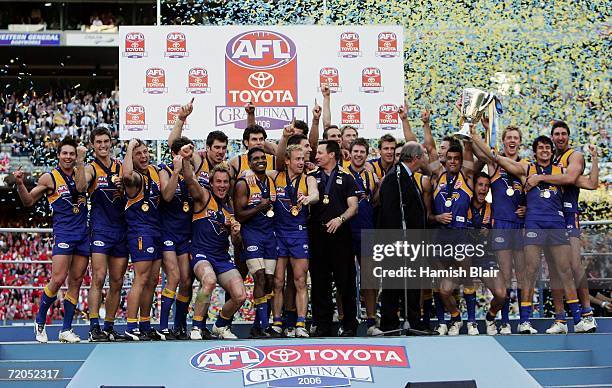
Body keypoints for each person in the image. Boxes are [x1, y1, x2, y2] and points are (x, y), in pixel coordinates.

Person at [472, 129, 592, 334]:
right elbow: (494, 157)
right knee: (529, 271)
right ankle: (523, 321)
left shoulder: (561, 170)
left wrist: (540, 178)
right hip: (532, 225)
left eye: (548, 147)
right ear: (534, 152)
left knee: (564, 271)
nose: (544, 150)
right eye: (540, 148)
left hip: (556, 224)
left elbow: (585, 181)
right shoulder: (526, 167)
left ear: (552, 152)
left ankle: (577, 319)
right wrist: (475, 135)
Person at [14, 136, 89, 343]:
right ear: (58, 155)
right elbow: (28, 201)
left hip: (83, 234)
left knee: (76, 282)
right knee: (57, 279)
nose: (68, 157)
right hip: (64, 234)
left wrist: (82, 163)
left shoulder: (82, 172)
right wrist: (20, 184)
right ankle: (40, 322)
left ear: (76, 156)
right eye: (64, 153)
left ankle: (66, 329)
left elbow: (83, 188)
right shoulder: (50, 178)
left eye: (72, 154)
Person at [470, 124, 527, 335]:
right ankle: (503, 321)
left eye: (515, 137)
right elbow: (481, 152)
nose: (512, 141)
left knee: (521, 275)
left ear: (520, 141)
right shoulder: (495, 165)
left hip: (520, 226)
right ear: (503, 141)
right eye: (508, 137)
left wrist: (528, 207)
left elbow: (535, 192)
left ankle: (523, 320)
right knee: (504, 275)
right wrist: (477, 134)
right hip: (501, 225)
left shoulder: (526, 164)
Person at [541, 120, 597, 334]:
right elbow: (590, 183)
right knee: (555, 270)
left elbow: (572, 177)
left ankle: (587, 314)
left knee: (574, 265)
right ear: (552, 137)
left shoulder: (574, 156)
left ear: (568, 136)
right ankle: (560, 320)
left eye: (564, 133)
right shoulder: (550, 160)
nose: (560, 137)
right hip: (550, 218)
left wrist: (540, 177)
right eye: (556, 134)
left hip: (568, 216)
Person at [184, 159, 246, 340]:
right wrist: (186, 160)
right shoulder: (204, 196)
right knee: (209, 280)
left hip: (221, 257)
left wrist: (235, 232)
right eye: (218, 181)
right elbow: (189, 179)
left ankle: (220, 325)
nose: (222, 185)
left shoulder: (230, 207)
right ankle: (196, 326)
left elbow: (236, 243)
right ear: (211, 183)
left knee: (240, 295)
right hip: (201, 254)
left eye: (225, 182)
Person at [264, 144, 319, 337]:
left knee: (300, 281)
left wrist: (308, 198)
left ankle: (300, 324)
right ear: (287, 160)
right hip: (278, 234)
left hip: (298, 234)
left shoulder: (308, 178)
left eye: (303, 159)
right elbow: (256, 172)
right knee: (278, 282)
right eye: (297, 159)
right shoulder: (275, 176)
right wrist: (248, 175)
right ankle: (277, 322)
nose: (301, 162)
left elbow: (315, 194)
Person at [378, 142, 432, 335]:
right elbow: (390, 211)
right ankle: (390, 323)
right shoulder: (396, 177)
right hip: (398, 242)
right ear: (416, 158)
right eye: (424, 155)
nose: (426, 158)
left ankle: (413, 320)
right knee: (394, 283)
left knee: (412, 283)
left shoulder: (406, 176)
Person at [83, 127, 129, 342]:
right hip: (100, 229)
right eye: (98, 142)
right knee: (99, 278)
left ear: (111, 143)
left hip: (121, 230)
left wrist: (125, 186)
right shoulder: (91, 168)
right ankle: (94, 327)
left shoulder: (121, 167)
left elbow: (135, 192)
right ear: (93, 144)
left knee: (117, 281)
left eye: (106, 141)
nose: (103, 145)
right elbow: (80, 186)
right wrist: (79, 163)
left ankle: (109, 326)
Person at [308, 140, 358, 337]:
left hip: (340, 235)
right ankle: (322, 325)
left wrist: (340, 219)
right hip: (318, 235)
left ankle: (349, 325)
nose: (316, 156)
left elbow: (354, 206)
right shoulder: (311, 177)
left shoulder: (347, 177)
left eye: (320, 153)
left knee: (345, 282)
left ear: (331, 155)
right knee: (320, 283)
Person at [234, 147, 278, 338]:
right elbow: (239, 215)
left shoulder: (270, 180)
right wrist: (259, 207)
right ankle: (263, 326)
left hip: (269, 235)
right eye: (256, 159)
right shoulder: (243, 184)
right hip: (251, 235)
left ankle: (258, 325)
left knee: (269, 280)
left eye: (263, 158)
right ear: (249, 163)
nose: (260, 161)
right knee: (259, 277)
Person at [122, 139, 163, 340]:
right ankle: (131, 325)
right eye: (139, 154)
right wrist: (130, 147)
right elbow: (126, 175)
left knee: (153, 281)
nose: (144, 156)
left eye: (146, 152)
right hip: (140, 232)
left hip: (156, 230)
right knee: (141, 278)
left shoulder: (154, 172)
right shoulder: (134, 178)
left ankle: (145, 323)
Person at [157, 137, 195, 340]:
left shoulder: (193, 170)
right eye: (187, 151)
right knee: (174, 276)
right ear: (176, 154)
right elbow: (167, 196)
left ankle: (179, 325)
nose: (191, 154)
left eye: (192, 150)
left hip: (185, 233)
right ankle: (163, 326)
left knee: (187, 280)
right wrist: (177, 172)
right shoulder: (165, 170)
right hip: (167, 233)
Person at [464, 172, 507, 335]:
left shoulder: (492, 208)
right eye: (480, 185)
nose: (483, 189)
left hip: (485, 257)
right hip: (464, 257)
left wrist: (491, 232)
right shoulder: (463, 205)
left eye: (486, 186)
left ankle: (490, 317)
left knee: (501, 294)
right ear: (474, 187)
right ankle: (470, 322)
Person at [347, 138, 380, 335]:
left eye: (362, 152)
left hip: (367, 231)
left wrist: (378, 186)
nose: (358, 155)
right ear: (349, 154)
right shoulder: (342, 174)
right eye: (356, 151)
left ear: (367, 155)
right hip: (346, 232)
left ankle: (371, 322)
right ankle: (347, 321)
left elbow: (375, 201)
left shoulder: (371, 175)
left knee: (369, 278)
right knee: (347, 279)